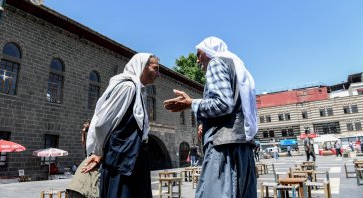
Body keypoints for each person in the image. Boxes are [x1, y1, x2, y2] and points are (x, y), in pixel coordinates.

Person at [164, 36, 258, 198]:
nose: (197, 60)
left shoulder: (216, 63)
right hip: (241, 147)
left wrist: (190, 103)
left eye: (199, 54)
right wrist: (204, 123)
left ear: (209, 52)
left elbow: (223, 103)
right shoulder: (238, 67)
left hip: (224, 148)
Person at [82, 53, 160, 198]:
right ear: (142, 67)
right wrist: (98, 152)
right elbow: (103, 122)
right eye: (155, 69)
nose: (158, 74)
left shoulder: (138, 89)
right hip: (122, 161)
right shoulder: (127, 87)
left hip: (134, 160)